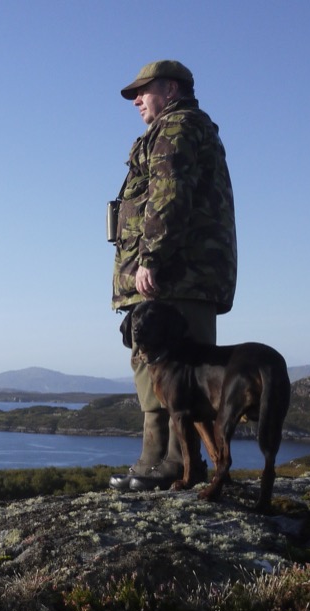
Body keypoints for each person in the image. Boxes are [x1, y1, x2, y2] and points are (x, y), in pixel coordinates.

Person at [107, 60, 238, 491]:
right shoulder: (174, 129)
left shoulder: (178, 127)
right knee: (155, 366)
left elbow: (170, 192)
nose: (137, 101)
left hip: (177, 274)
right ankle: (154, 461)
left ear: (171, 88)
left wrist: (152, 257)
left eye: (143, 91)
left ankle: (180, 465)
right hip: (176, 273)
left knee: (182, 370)